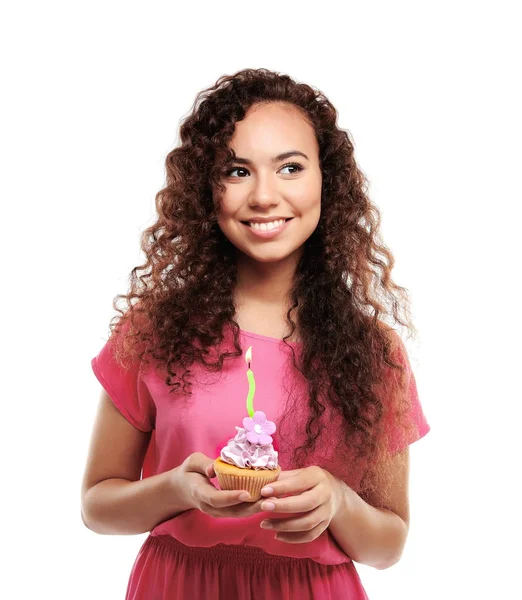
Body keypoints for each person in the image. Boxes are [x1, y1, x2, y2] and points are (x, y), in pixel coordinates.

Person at [81, 67, 430, 599]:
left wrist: (336, 500)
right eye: (237, 171)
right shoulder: (152, 332)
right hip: (176, 586)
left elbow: (388, 546)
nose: (265, 196)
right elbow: (97, 508)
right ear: (207, 188)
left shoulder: (375, 353)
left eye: (290, 167)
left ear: (326, 181)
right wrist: (176, 490)